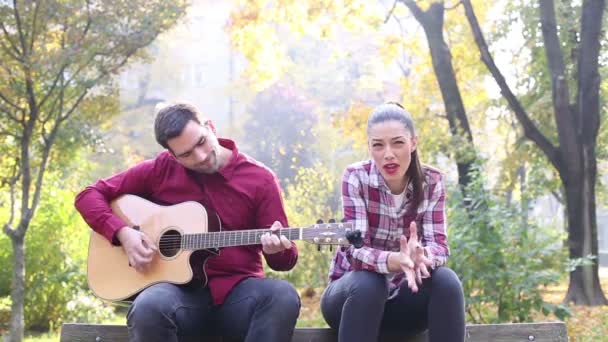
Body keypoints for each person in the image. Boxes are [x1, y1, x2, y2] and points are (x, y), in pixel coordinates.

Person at [75, 102, 300, 342]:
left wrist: (276, 250)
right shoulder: (160, 170)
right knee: (148, 306)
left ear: (210, 127)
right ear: (172, 156)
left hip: (239, 296)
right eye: (186, 154)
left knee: (282, 295)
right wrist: (123, 233)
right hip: (179, 298)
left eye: (201, 142)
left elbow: (285, 261)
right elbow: (88, 196)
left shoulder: (260, 179)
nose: (200, 156)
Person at [321, 102, 465, 342]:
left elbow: (439, 245)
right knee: (370, 282)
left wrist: (421, 256)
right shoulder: (356, 177)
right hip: (352, 302)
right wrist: (394, 261)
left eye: (398, 142)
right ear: (369, 148)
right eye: (378, 145)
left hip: (403, 305)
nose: (388, 153)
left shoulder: (432, 181)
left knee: (446, 280)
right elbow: (355, 252)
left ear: (413, 143)